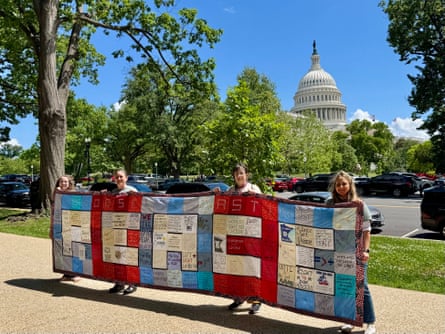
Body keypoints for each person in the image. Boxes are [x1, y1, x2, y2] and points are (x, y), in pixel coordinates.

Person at [326, 171, 376, 334]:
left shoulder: (358, 204)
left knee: (362, 287)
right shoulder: (329, 203)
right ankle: (350, 320)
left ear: (350, 185)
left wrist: (366, 250)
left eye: (344, 184)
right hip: (338, 251)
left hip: (356, 251)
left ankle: (370, 323)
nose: (341, 187)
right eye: (338, 184)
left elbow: (367, 230)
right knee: (344, 286)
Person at [226, 162, 262, 314]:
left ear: (247, 174)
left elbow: (263, 206)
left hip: (251, 235)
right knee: (237, 266)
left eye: (241, 173)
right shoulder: (230, 190)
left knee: (252, 267)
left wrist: (257, 197)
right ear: (234, 176)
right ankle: (239, 297)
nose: (239, 176)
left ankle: (256, 300)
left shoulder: (253, 189)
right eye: (236, 174)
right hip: (236, 234)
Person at [106, 169, 139, 295]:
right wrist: (103, 195)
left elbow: (138, 207)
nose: (119, 179)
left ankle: (132, 283)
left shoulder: (132, 191)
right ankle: (119, 283)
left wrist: (134, 197)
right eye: (117, 177)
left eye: (121, 176)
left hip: (129, 228)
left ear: (126, 178)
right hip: (116, 229)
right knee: (117, 255)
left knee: (129, 256)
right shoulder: (113, 192)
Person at [54, 175, 81, 283]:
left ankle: (76, 273)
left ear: (69, 183)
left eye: (65, 182)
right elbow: (54, 208)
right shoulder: (57, 193)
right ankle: (66, 273)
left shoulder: (74, 193)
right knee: (64, 249)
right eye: (61, 182)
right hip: (61, 224)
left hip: (73, 225)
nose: (63, 184)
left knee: (74, 250)